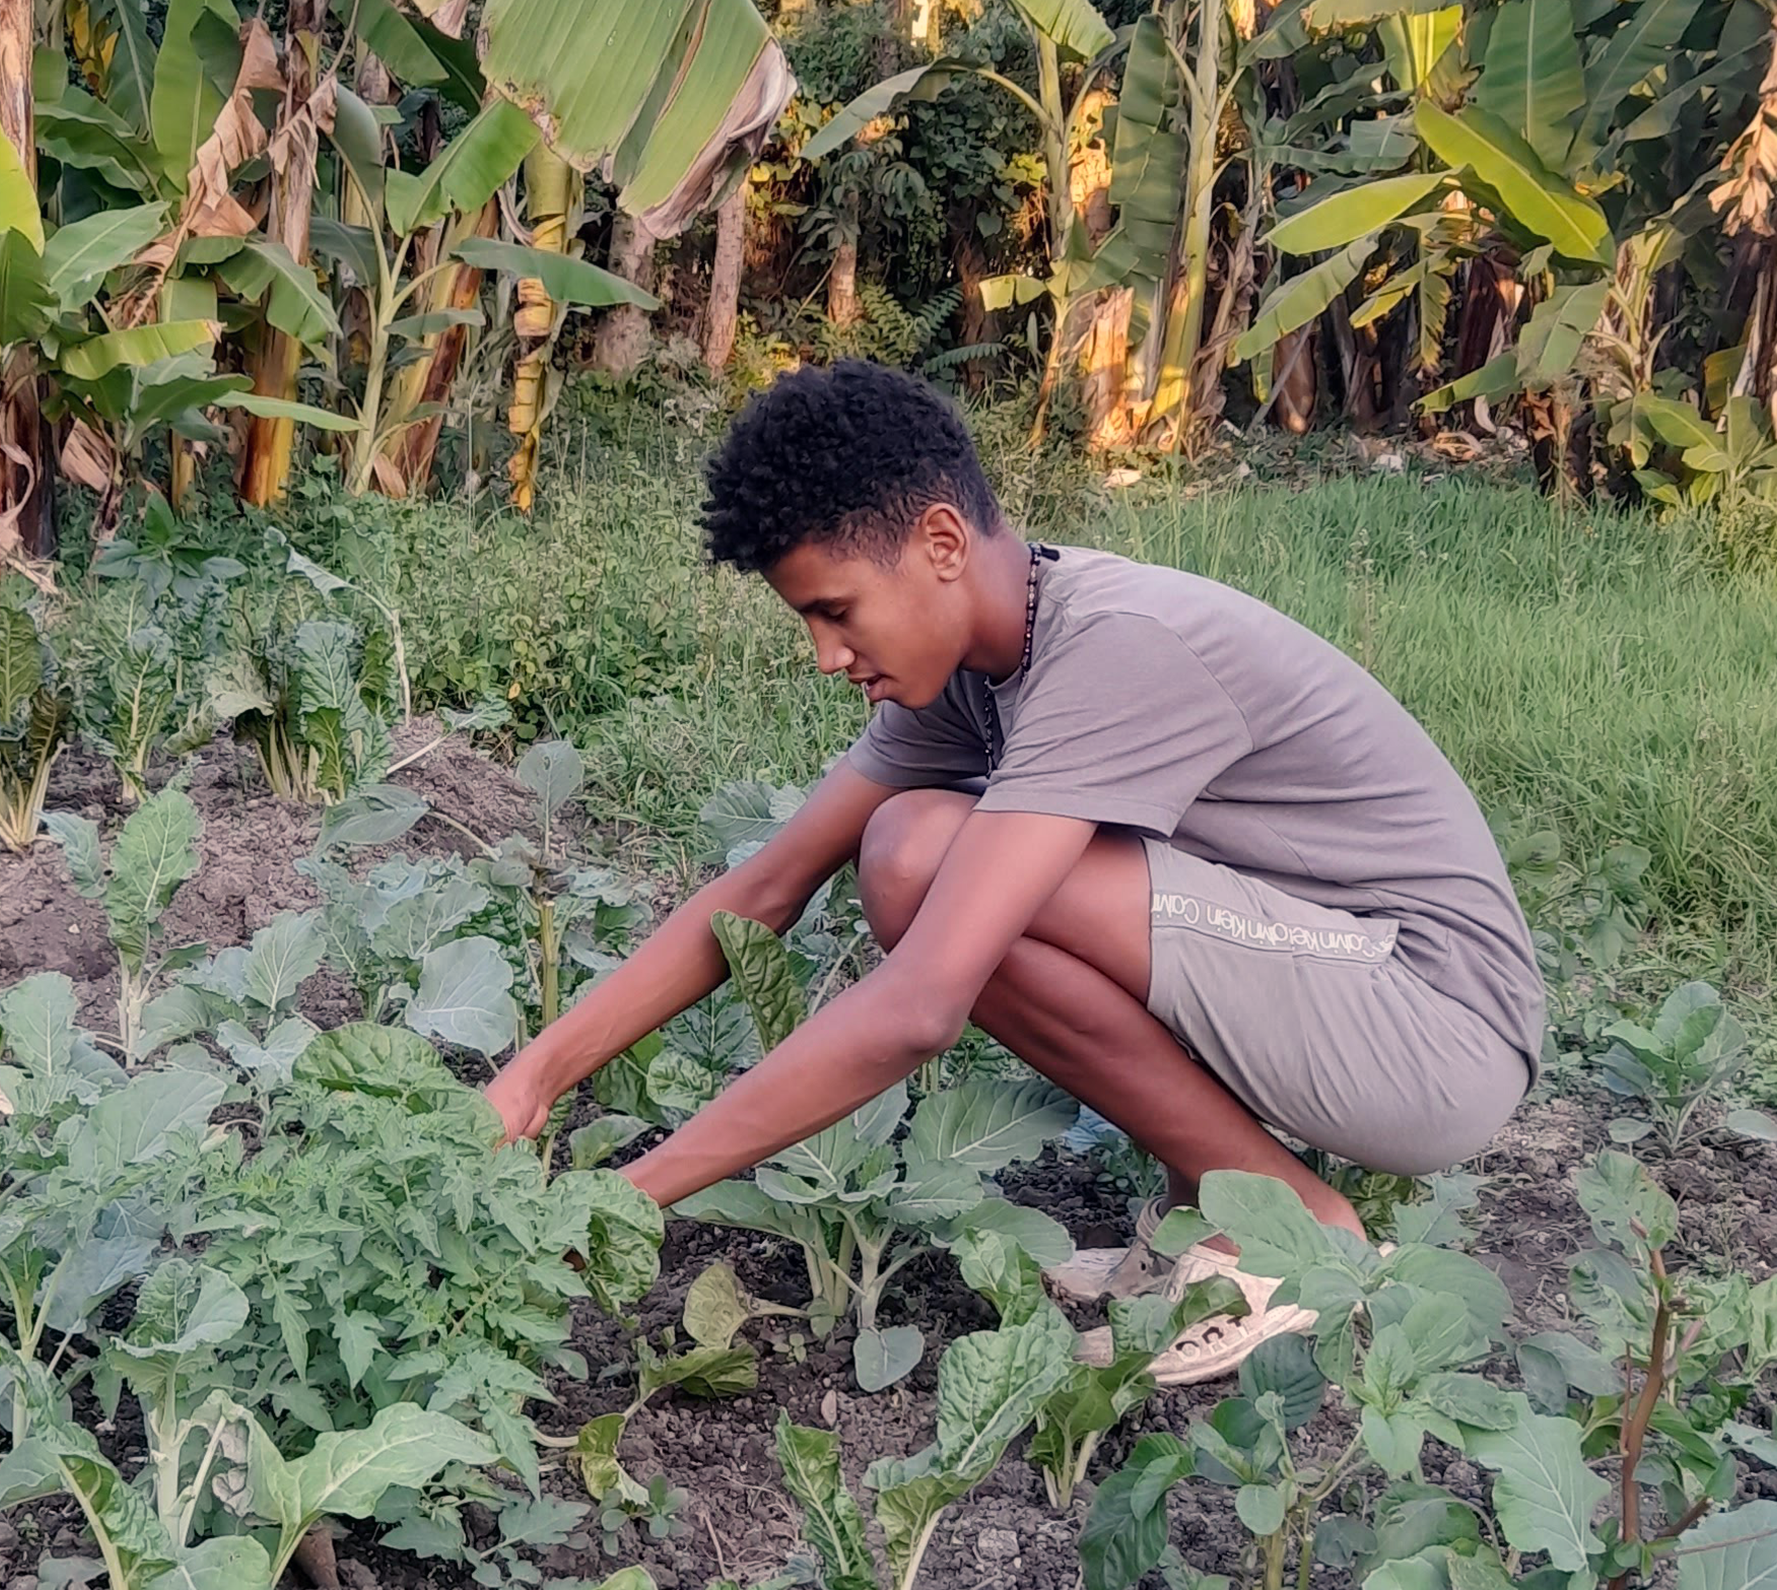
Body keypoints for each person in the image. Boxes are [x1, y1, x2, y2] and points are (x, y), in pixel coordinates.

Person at [483, 362, 1545, 1384]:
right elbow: (764, 889)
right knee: (909, 855)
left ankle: (1294, 1227)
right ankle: (1211, 1211)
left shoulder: (1113, 648)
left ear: (941, 541)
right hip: (1327, 986)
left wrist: (632, 1195)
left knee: (928, 860)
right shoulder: (969, 665)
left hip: (1432, 1030)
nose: (822, 655)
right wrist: (533, 1078)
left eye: (837, 611)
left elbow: (920, 1007)